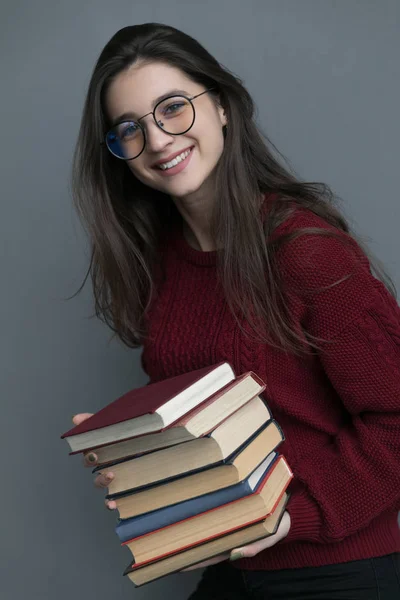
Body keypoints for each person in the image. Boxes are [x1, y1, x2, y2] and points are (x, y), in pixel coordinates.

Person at [70, 23, 400, 599]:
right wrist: (133, 451)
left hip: (335, 571)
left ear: (221, 107)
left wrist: (294, 516)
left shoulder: (306, 252)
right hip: (235, 563)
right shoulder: (163, 262)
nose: (159, 140)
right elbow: (212, 430)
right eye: (131, 128)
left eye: (173, 108)